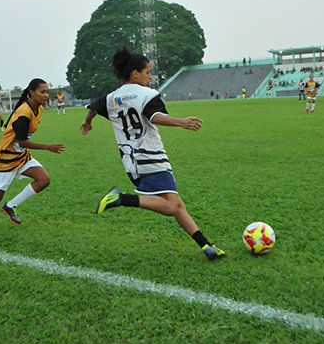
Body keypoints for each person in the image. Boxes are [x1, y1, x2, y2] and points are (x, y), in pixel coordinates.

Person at [80, 47, 225, 261]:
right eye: (148, 72)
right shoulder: (147, 94)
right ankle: (121, 198)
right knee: (171, 206)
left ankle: (206, 246)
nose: (150, 76)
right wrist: (181, 122)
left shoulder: (112, 97)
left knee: (177, 204)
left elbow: (93, 107)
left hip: (131, 162)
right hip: (152, 157)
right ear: (135, 73)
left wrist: (87, 121)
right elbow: (155, 116)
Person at [0, 79, 65, 235]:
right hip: (5, 158)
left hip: (21, 156)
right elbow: (22, 140)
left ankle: (11, 205)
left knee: (44, 179)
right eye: (42, 92)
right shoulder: (23, 112)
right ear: (31, 93)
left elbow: (22, 142)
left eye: (47, 92)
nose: (46, 95)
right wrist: (47, 147)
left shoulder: (39, 109)